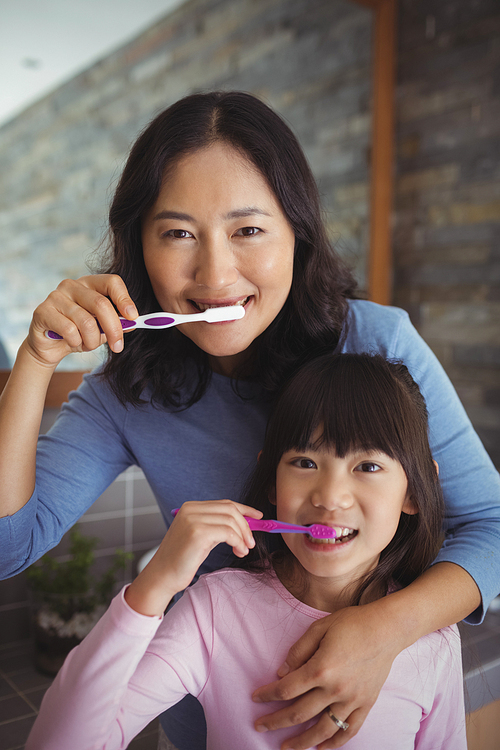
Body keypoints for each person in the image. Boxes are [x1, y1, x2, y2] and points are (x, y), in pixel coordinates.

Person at [0, 90, 498, 750]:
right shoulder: (127, 389)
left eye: (248, 229)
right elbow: (10, 547)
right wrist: (34, 360)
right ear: (139, 246)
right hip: (205, 715)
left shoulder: (379, 343)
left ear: (298, 231)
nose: (215, 273)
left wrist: (384, 630)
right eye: (178, 233)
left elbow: (492, 526)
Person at [26, 353, 467, 750]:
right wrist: (156, 583)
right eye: (305, 463)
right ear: (272, 481)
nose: (331, 498)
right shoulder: (215, 609)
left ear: (417, 489)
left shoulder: (434, 639)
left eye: (368, 467)